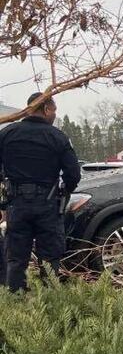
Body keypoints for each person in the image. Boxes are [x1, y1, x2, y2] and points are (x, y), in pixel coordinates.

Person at [0, 93, 81, 292]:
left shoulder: (7, 134)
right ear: (46, 109)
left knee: (16, 259)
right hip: (47, 204)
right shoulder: (57, 136)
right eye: (54, 110)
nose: (54, 115)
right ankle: (49, 305)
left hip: (16, 204)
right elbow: (73, 174)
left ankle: (16, 305)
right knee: (49, 260)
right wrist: (64, 192)